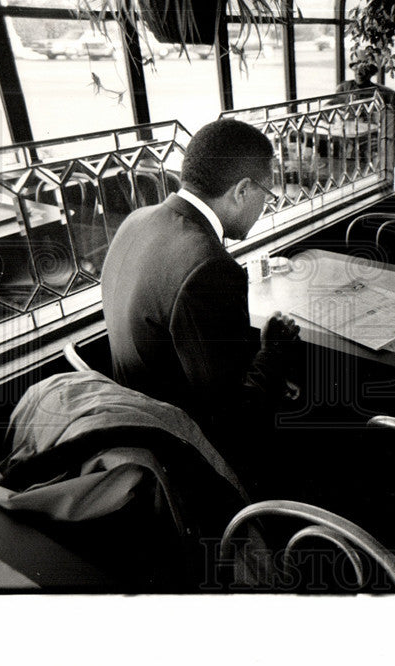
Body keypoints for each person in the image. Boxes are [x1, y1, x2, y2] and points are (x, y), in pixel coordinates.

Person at [100, 119, 300, 468]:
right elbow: (235, 417)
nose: (263, 208)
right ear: (242, 191)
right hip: (184, 455)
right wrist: (274, 352)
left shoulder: (136, 220)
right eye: (265, 196)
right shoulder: (209, 268)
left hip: (131, 422)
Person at [335, 61, 395, 161]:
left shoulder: (384, 93)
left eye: (364, 70)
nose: (359, 73)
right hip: (347, 130)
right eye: (356, 69)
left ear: (372, 74)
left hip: (372, 132)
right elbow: (333, 107)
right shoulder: (344, 88)